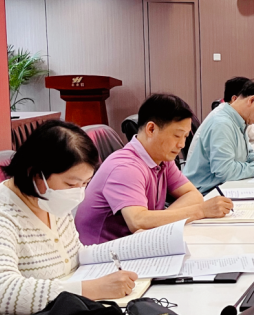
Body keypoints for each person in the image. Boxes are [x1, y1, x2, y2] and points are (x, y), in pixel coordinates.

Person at [0, 121, 139, 315]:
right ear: (35, 173)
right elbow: (3, 293)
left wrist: (132, 249)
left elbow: (74, 255)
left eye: (85, 183)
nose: (79, 193)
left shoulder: (48, 200)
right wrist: (94, 288)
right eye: (71, 183)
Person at [75, 94, 234, 245]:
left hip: (138, 245)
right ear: (151, 129)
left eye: (185, 136)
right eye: (177, 136)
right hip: (104, 255)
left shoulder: (162, 158)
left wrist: (161, 221)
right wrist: (200, 211)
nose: (181, 144)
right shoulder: (125, 167)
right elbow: (138, 221)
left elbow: (193, 195)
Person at [183, 78, 254, 193]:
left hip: (221, 187)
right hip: (206, 193)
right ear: (252, 100)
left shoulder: (238, 119)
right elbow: (225, 171)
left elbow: (245, 153)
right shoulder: (222, 123)